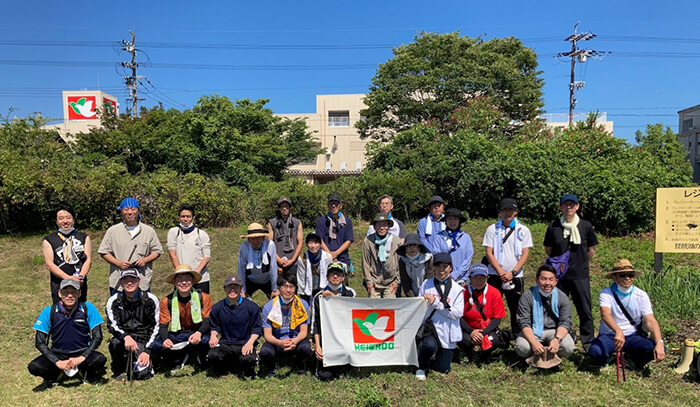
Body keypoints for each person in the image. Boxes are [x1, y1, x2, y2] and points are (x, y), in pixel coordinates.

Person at [544, 193, 599, 351]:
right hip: (559, 277)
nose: (569, 207)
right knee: (556, 310)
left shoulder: (585, 226)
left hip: (580, 275)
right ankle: (558, 340)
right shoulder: (554, 226)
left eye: (572, 204)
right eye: (565, 204)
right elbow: (549, 249)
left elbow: (591, 250)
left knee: (585, 310)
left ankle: (588, 343)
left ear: (577, 207)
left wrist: (578, 262)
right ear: (560, 207)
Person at [587, 259, 665, 369]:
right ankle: (607, 358)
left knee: (657, 348)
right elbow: (605, 314)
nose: (627, 278)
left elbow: (650, 320)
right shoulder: (606, 293)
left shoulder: (641, 295)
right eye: (623, 275)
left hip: (632, 336)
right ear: (614, 277)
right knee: (596, 352)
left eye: (630, 275)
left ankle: (633, 360)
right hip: (609, 335)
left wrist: (659, 341)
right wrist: (618, 331)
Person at [28, 279, 106, 384]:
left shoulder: (88, 308)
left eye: (73, 292)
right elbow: (40, 342)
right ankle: (56, 374)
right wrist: (57, 361)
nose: (70, 295)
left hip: (81, 351)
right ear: (60, 293)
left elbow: (97, 337)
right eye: (66, 292)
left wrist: (82, 357)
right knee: (34, 367)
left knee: (100, 359)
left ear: (79, 293)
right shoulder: (49, 311)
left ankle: (84, 371)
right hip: (58, 353)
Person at [483, 198, 533, 335]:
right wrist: (500, 272)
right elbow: (489, 252)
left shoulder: (524, 230)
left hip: (516, 275)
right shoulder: (492, 229)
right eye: (504, 210)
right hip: (495, 274)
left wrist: (513, 272)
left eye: (510, 210)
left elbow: (525, 253)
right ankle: (491, 332)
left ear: (516, 212)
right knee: (492, 306)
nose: (507, 213)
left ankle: (518, 334)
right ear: (500, 212)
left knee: (516, 306)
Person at [153, 265, 213, 370]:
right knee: (157, 344)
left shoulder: (204, 297)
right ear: (175, 282)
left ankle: (201, 355)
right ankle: (178, 356)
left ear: (193, 281)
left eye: (187, 279)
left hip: (198, 332)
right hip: (179, 333)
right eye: (180, 279)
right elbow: (163, 325)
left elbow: (207, 321)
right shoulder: (167, 301)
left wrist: (199, 333)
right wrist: (165, 339)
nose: (184, 283)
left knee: (206, 340)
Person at [98, 197, 163, 295]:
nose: (129, 212)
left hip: (142, 281)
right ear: (121, 211)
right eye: (126, 209)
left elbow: (157, 251)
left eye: (133, 209)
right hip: (119, 282)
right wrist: (118, 263)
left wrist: (144, 260)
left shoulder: (148, 231)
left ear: (138, 211)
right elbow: (104, 251)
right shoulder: (113, 231)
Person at [416, 253, 465, 380]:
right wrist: (422, 300)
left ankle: (436, 357)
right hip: (431, 328)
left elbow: (458, 313)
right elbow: (419, 306)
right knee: (429, 345)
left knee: (443, 370)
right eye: (438, 266)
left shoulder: (457, 289)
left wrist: (436, 304)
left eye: (445, 266)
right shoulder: (427, 284)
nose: (441, 270)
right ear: (433, 268)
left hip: (448, 331)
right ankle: (420, 366)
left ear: (451, 268)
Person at [105, 269, 160, 380]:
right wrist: (126, 336)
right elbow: (112, 325)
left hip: (144, 340)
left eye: (132, 279)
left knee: (142, 375)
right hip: (124, 339)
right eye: (125, 280)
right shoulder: (113, 301)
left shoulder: (151, 300)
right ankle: (119, 369)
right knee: (115, 343)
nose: (129, 283)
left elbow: (156, 327)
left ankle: (144, 361)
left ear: (139, 281)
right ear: (120, 283)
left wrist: (146, 351)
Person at [515, 265, 575, 365]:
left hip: (554, 331)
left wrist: (557, 339)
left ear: (556, 281)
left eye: (551, 279)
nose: (547, 283)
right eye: (543, 279)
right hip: (533, 331)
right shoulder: (527, 296)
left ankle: (551, 355)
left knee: (568, 347)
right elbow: (523, 322)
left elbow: (565, 322)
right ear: (537, 280)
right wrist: (534, 343)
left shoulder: (562, 297)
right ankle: (537, 354)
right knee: (522, 348)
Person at [208, 274, 263, 377]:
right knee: (212, 355)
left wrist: (250, 343)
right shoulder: (217, 307)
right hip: (225, 343)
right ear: (225, 289)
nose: (232, 289)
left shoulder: (252, 307)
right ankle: (223, 368)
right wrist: (213, 335)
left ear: (241, 288)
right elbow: (214, 327)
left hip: (245, 342)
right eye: (229, 286)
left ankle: (245, 368)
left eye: (236, 286)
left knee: (249, 359)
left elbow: (257, 329)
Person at [259, 273, 312, 377]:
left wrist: (294, 341)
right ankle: (271, 368)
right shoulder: (269, 307)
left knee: (306, 347)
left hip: (295, 342)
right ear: (279, 288)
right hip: (277, 342)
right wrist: (280, 343)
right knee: (265, 351)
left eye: (291, 287)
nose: (288, 290)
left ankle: (300, 363)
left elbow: (303, 331)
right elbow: (267, 335)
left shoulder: (303, 305)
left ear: (295, 288)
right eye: (284, 286)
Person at [311, 263, 357, 381]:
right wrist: (318, 345)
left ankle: (345, 364)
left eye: (338, 273)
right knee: (325, 376)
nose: (335, 276)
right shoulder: (318, 297)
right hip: (327, 339)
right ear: (327, 277)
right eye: (332, 273)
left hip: (346, 337)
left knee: (354, 368)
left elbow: (352, 315)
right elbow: (315, 323)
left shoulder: (351, 293)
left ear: (343, 277)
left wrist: (332, 298)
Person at [458, 264, 509, 360]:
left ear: (487, 278)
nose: (479, 281)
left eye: (482, 278)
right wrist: (471, 332)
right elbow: (457, 316)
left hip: (486, 329)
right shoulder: (462, 292)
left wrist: (483, 333)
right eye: (475, 278)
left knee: (493, 340)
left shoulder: (494, 293)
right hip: (468, 329)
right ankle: (470, 355)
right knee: (463, 340)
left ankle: (484, 357)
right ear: (470, 278)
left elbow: (497, 318)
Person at [43, 205, 92, 303]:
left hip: (79, 282)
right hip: (59, 283)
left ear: (73, 219)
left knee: (80, 311)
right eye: (61, 218)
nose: (65, 221)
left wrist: (80, 277)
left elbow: (88, 260)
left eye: (68, 217)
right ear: (56, 221)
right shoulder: (49, 240)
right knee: (60, 313)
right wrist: (68, 278)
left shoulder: (84, 237)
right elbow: (49, 264)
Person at [167, 203, 212, 293]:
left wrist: (195, 275)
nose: (185, 219)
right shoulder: (173, 232)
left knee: (202, 305)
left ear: (193, 217)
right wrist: (182, 274)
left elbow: (206, 257)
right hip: (181, 280)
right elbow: (172, 254)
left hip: (201, 279)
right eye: (183, 216)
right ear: (179, 217)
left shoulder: (201, 234)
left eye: (188, 216)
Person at [362, 213, 402, 298]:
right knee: (374, 308)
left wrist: (397, 281)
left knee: (390, 308)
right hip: (374, 281)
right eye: (379, 225)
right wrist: (369, 281)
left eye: (384, 225)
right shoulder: (368, 241)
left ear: (388, 226)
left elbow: (400, 263)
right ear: (375, 226)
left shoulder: (396, 241)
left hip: (390, 281)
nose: (382, 227)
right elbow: (365, 262)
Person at [238, 222, 279, 299]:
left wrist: (275, 288)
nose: (255, 241)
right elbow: (241, 268)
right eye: (252, 238)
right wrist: (242, 290)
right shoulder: (244, 247)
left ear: (263, 238)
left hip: (267, 279)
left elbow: (273, 267)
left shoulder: (270, 245)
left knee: (275, 300)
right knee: (242, 301)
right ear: (248, 239)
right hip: (250, 279)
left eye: (258, 238)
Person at [315, 193, 354, 273]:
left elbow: (348, 241)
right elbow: (319, 240)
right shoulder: (321, 221)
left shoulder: (347, 222)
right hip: (325, 256)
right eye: (331, 203)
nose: (333, 206)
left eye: (336, 203)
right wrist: (330, 255)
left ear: (340, 205)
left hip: (342, 257)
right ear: (328, 205)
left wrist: (336, 253)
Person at [267, 197, 305, 276]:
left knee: (294, 282)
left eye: (286, 206)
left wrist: (293, 259)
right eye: (282, 206)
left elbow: (300, 243)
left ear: (290, 207)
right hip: (277, 257)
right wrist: (278, 259)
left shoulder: (297, 222)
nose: (284, 208)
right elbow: (269, 244)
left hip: (293, 258)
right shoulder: (272, 222)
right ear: (279, 208)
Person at [435, 208, 473, 284]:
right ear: (445, 221)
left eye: (455, 219)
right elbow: (437, 255)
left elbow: (468, 258)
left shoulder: (466, 237)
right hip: (443, 277)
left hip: (462, 279)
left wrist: (456, 274)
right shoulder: (439, 237)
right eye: (449, 219)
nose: (452, 222)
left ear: (459, 221)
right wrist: (446, 273)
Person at [297, 232, 334, 303]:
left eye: (316, 242)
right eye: (310, 243)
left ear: (320, 244)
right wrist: (302, 294)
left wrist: (328, 289)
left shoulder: (327, 257)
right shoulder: (302, 258)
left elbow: (329, 275)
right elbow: (301, 277)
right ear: (307, 244)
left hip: (323, 288)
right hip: (308, 289)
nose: (313, 246)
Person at [398, 233, 434, 297]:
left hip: (428, 293)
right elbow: (405, 282)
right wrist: (412, 298)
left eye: (414, 245)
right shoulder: (402, 261)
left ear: (419, 247)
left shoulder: (428, 259)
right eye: (408, 246)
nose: (412, 248)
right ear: (405, 249)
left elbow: (429, 280)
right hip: (412, 295)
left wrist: (424, 296)